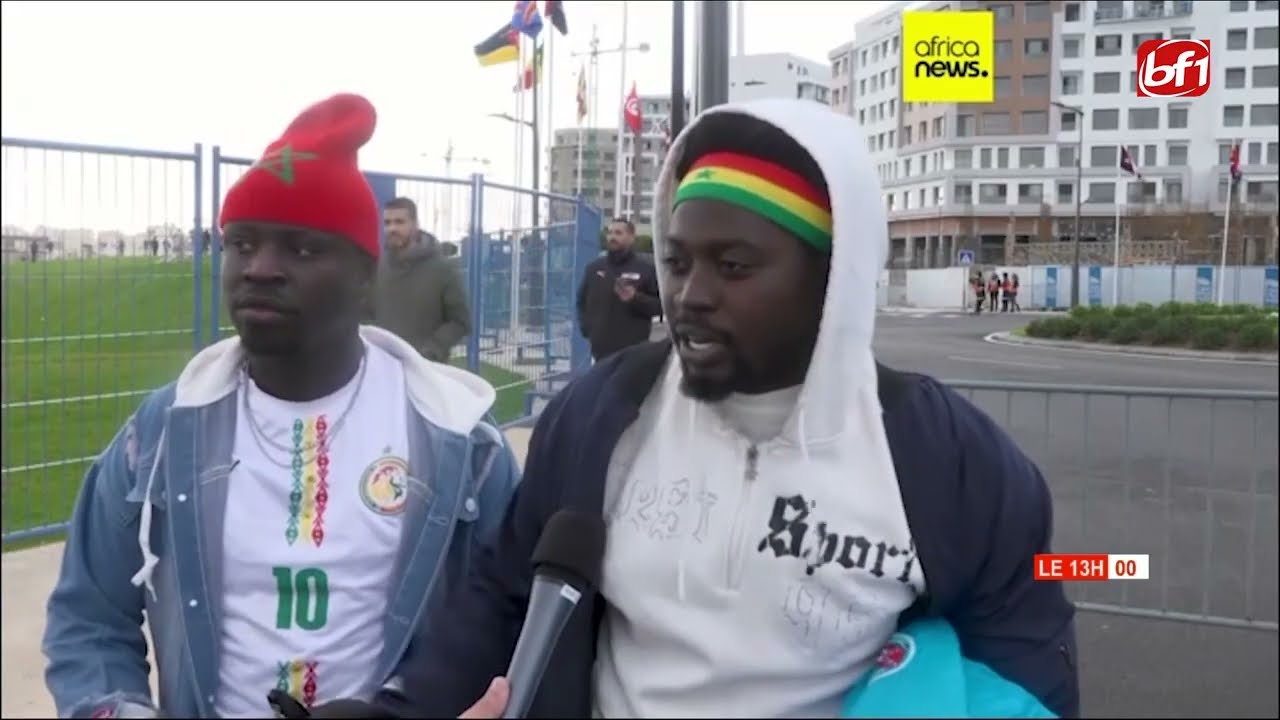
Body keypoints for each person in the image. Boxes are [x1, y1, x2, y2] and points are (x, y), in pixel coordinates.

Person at [315, 100, 1080, 719]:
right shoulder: (602, 414)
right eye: (677, 261)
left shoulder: (944, 459)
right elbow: (500, 596)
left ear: (833, 277)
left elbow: (1023, 645)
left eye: (735, 266)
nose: (691, 295)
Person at [41, 93, 521, 719]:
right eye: (242, 244)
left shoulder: (460, 442)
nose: (259, 269)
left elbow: (514, 619)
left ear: (364, 273)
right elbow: (88, 616)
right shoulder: (161, 435)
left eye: (301, 249)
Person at [373, 197, 472, 363]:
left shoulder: (442, 269)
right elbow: (365, 314)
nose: (392, 228)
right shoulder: (378, 268)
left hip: (427, 369)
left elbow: (460, 322)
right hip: (384, 367)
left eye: (399, 222)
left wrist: (431, 350)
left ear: (415, 224)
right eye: (387, 223)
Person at [575, 217, 662, 362]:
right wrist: (587, 329)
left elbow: (660, 307)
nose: (612, 237)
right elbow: (581, 300)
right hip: (600, 353)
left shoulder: (646, 269)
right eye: (610, 233)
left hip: (632, 354)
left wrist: (635, 299)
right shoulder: (595, 268)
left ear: (631, 238)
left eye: (618, 233)